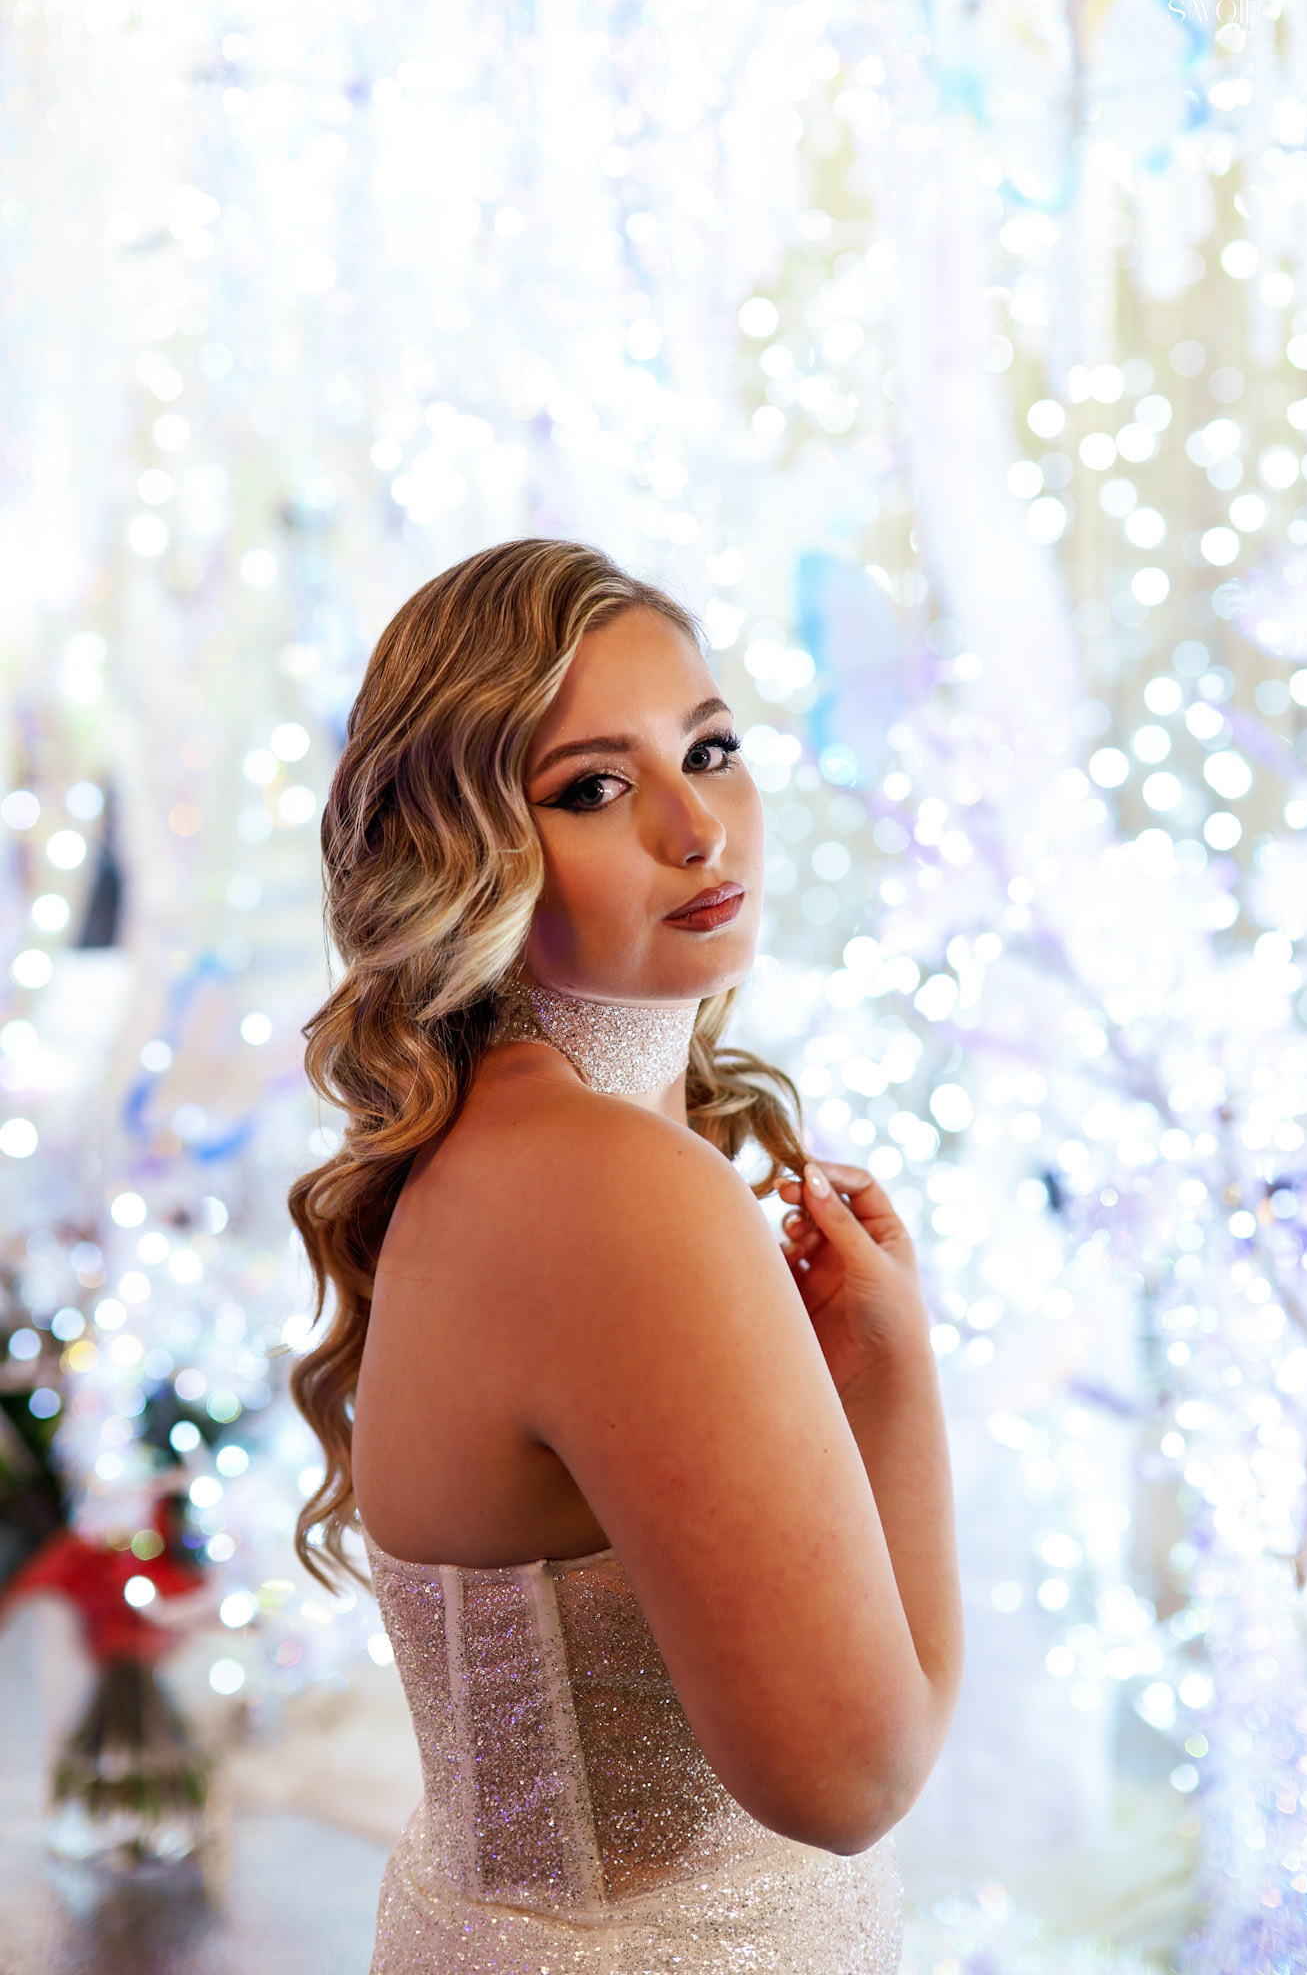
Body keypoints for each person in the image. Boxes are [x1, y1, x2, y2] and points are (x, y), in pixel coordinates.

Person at [288, 539, 962, 1973]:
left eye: (709, 750)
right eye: (592, 787)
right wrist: (898, 1377)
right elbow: (854, 1782)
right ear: (463, 853)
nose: (697, 826)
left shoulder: (503, 1152)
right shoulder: (614, 1189)